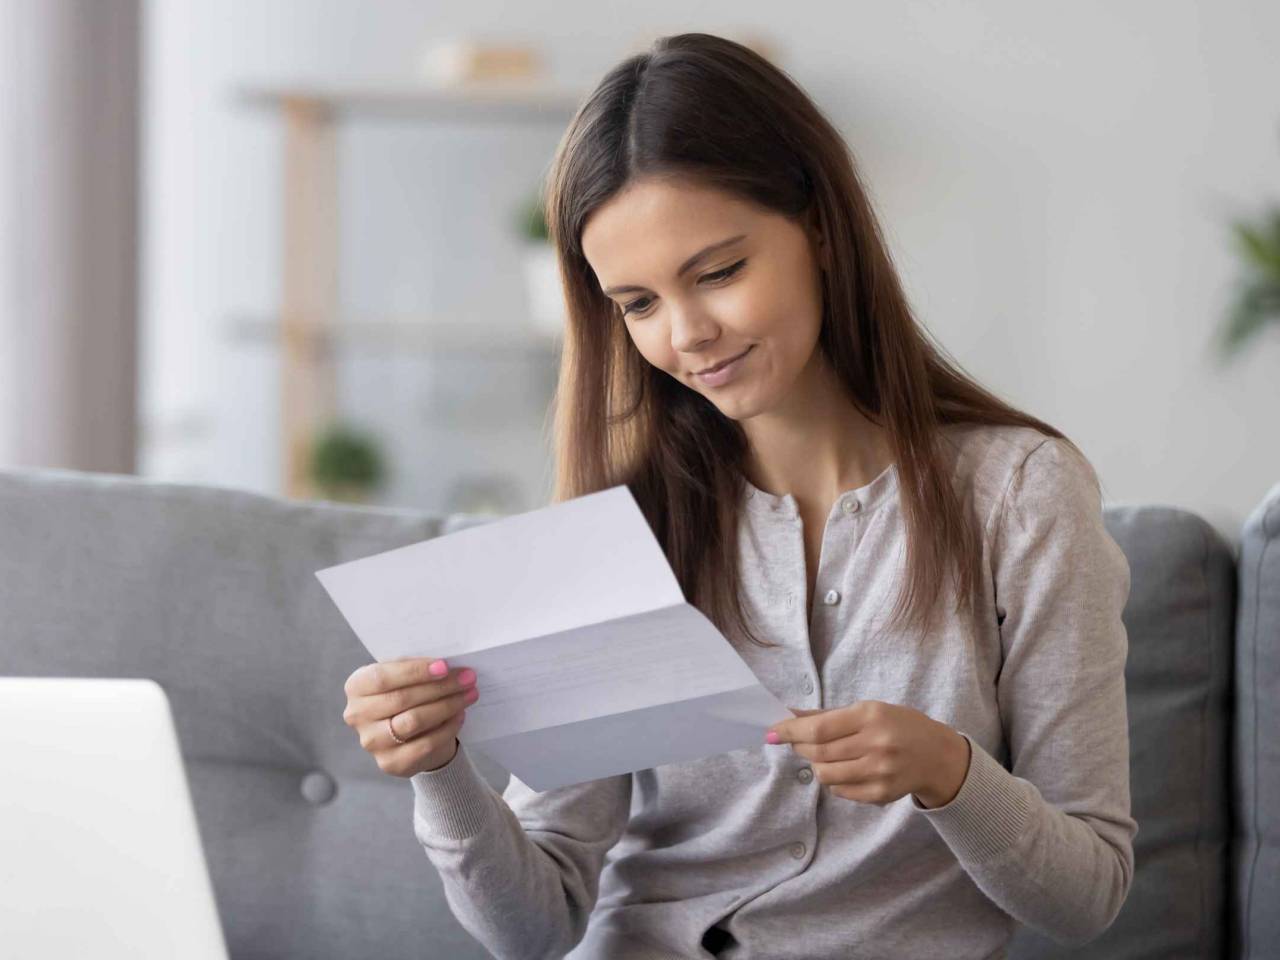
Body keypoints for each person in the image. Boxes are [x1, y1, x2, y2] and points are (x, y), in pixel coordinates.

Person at [340, 32, 1136, 960]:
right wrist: (437, 771)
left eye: (718, 272)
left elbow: (1089, 894)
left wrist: (949, 771)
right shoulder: (623, 526)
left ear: (823, 232)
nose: (688, 336)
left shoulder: (1020, 494)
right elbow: (533, 925)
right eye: (637, 304)